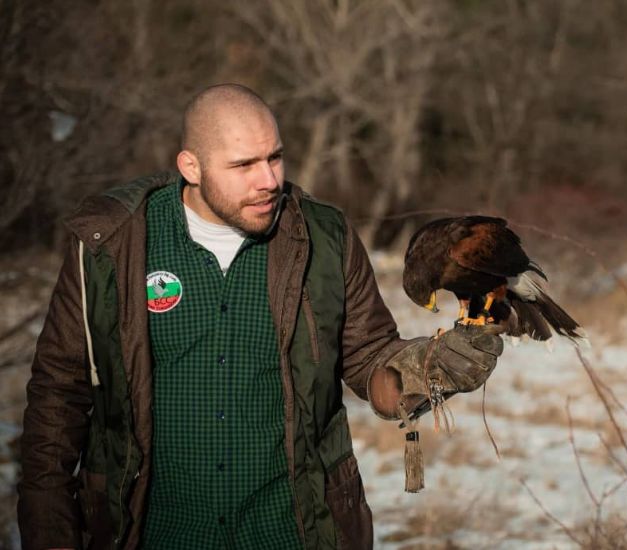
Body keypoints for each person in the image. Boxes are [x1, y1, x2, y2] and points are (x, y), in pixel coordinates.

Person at [17, 84, 503, 550]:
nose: (269, 180)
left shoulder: (324, 236)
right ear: (191, 166)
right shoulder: (112, 245)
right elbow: (58, 393)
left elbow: (370, 358)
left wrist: (428, 368)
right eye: (244, 164)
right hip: (151, 533)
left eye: (274, 157)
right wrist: (51, 533)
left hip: (293, 532)